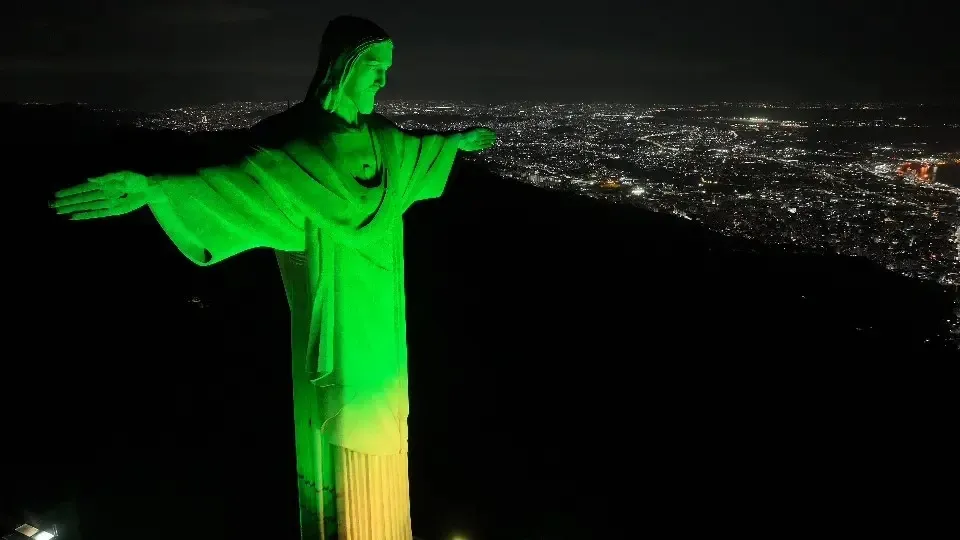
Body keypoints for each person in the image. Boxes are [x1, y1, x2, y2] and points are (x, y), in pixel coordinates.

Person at [50, 15, 496, 540]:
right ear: (342, 68)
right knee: (345, 446)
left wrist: (458, 141)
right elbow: (235, 185)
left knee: (384, 432)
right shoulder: (294, 149)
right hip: (336, 329)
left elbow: (423, 152)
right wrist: (157, 189)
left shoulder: (386, 142)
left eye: (387, 71)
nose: (383, 81)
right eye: (374, 68)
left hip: (383, 326)